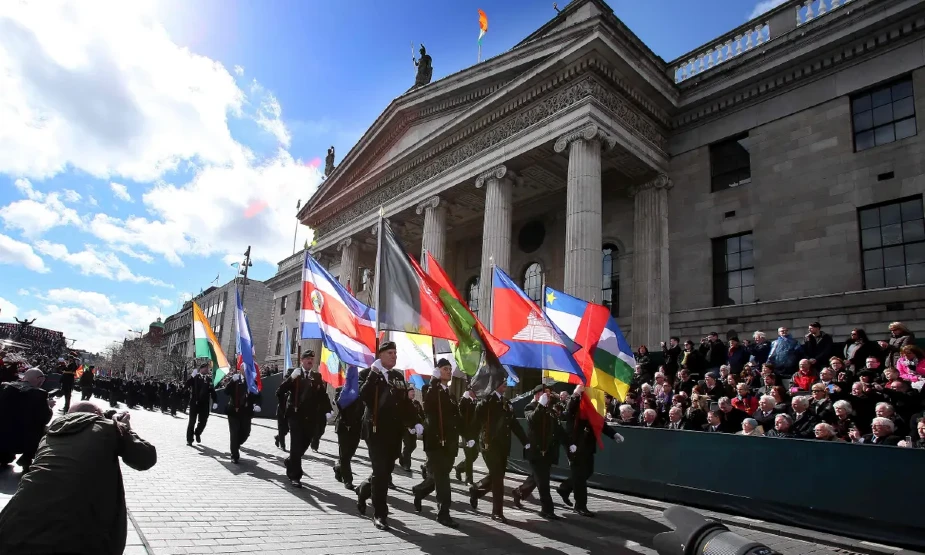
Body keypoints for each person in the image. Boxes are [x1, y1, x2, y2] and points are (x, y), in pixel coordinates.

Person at [0, 402, 157, 555]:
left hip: (16, 523)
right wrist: (126, 428)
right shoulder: (108, 426)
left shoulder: (50, 433)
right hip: (80, 529)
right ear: (98, 415)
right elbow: (146, 458)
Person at [355, 342, 416, 531]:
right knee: (381, 472)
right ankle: (380, 514)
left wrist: (415, 422)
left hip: (394, 432)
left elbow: (405, 403)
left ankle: (363, 490)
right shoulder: (367, 374)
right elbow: (363, 395)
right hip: (375, 431)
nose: (394, 356)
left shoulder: (398, 376)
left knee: (385, 472)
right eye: (390, 353)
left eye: (395, 353)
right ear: (380, 355)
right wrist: (374, 373)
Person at [557, 385, 624, 517]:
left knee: (588, 471)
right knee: (580, 476)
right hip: (574, 445)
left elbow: (599, 423)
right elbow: (569, 410)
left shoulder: (593, 409)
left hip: (588, 445)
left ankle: (565, 488)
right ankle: (580, 506)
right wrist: (576, 394)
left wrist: (614, 434)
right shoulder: (576, 405)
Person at [469, 380, 529, 524]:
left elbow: (514, 424)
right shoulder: (487, 401)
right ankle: (497, 512)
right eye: (502, 382)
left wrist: (525, 441)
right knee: (498, 478)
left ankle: (476, 491)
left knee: (498, 475)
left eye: (505, 382)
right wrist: (470, 437)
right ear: (495, 384)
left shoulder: (506, 403)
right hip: (489, 444)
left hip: (503, 445)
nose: (505, 385)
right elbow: (477, 419)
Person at [411, 360, 460, 527]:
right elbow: (428, 405)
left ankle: (419, 491)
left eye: (450, 369)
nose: (448, 372)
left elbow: (456, 419)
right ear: (438, 371)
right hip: (436, 442)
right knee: (443, 478)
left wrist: (467, 436)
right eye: (445, 369)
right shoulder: (429, 389)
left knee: (439, 477)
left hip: (449, 443)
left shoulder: (450, 395)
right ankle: (443, 513)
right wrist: (433, 380)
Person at [514, 388, 571, 519]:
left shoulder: (550, 409)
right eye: (545, 393)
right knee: (544, 482)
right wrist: (540, 405)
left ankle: (519, 492)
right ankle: (547, 510)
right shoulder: (530, 407)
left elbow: (558, 429)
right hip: (536, 451)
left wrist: (569, 443)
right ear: (537, 394)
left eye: (549, 394)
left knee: (537, 478)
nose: (548, 396)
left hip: (548, 452)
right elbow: (532, 420)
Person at [277, 351, 329, 488]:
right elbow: (280, 391)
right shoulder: (293, 373)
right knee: (295, 444)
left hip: (310, 416)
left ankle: (291, 461)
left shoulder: (316, 376)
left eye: (312, 359)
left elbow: (322, 395)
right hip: (295, 415)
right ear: (302, 360)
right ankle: (295, 476)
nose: (310, 361)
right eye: (307, 358)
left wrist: (327, 410)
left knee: (305, 443)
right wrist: (291, 379)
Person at [0, 368, 54, 472]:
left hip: (4, 436)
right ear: (39, 379)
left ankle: (4, 457)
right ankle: (26, 459)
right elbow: (45, 418)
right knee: (43, 429)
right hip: (25, 440)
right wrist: (49, 406)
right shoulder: (40, 394)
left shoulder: (4, 387)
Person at [224, 370, 261, 463]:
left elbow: (257, 395)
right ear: (241, 370)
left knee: (246, 432)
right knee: (234, 433)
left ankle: (236, 444)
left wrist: (257, 404)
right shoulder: (235, 380)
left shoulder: (253, 381)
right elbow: (226, 391)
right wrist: (231, 381)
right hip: (234, 410)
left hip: (246, 411)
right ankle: (234, 455)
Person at [333, 382, 363, 490]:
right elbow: (339, 403)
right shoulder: (341, 390)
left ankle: (338, 467)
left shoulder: (361, 391)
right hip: (344, 426)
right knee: (345, 454)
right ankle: (348, 480)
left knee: (350, 452)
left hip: (356, 427)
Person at [185, 362, 218, 446]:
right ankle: (189, 439)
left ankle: (197, 432)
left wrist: (215, 401)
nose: (207, 369)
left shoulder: (209, 380)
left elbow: (212, 391)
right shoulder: (195, 378)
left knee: (203, 421)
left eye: (208, 368)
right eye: (206, 368)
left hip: (204, 404)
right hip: (195, 403)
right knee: (192, 422)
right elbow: (186, 385)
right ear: (201, 369)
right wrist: (192, 377)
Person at [454, 384, 479, 485]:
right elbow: (460, 415)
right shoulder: (464, 401)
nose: (476, 393)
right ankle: (469, 479)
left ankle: (459, 468)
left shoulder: (476, 402)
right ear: (470, 392)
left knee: (475, 455)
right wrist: (464, 398)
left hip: (475, 433)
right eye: (474, 391)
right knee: (469, 456)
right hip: (466, 433)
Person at [274, 367, 292, 451]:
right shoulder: (283, 386)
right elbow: (277, 393)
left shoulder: (292, 386)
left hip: (289, 411)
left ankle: (278, 437)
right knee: (281, 428)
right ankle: (282, 445)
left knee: (286, 429)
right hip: (281, 410)